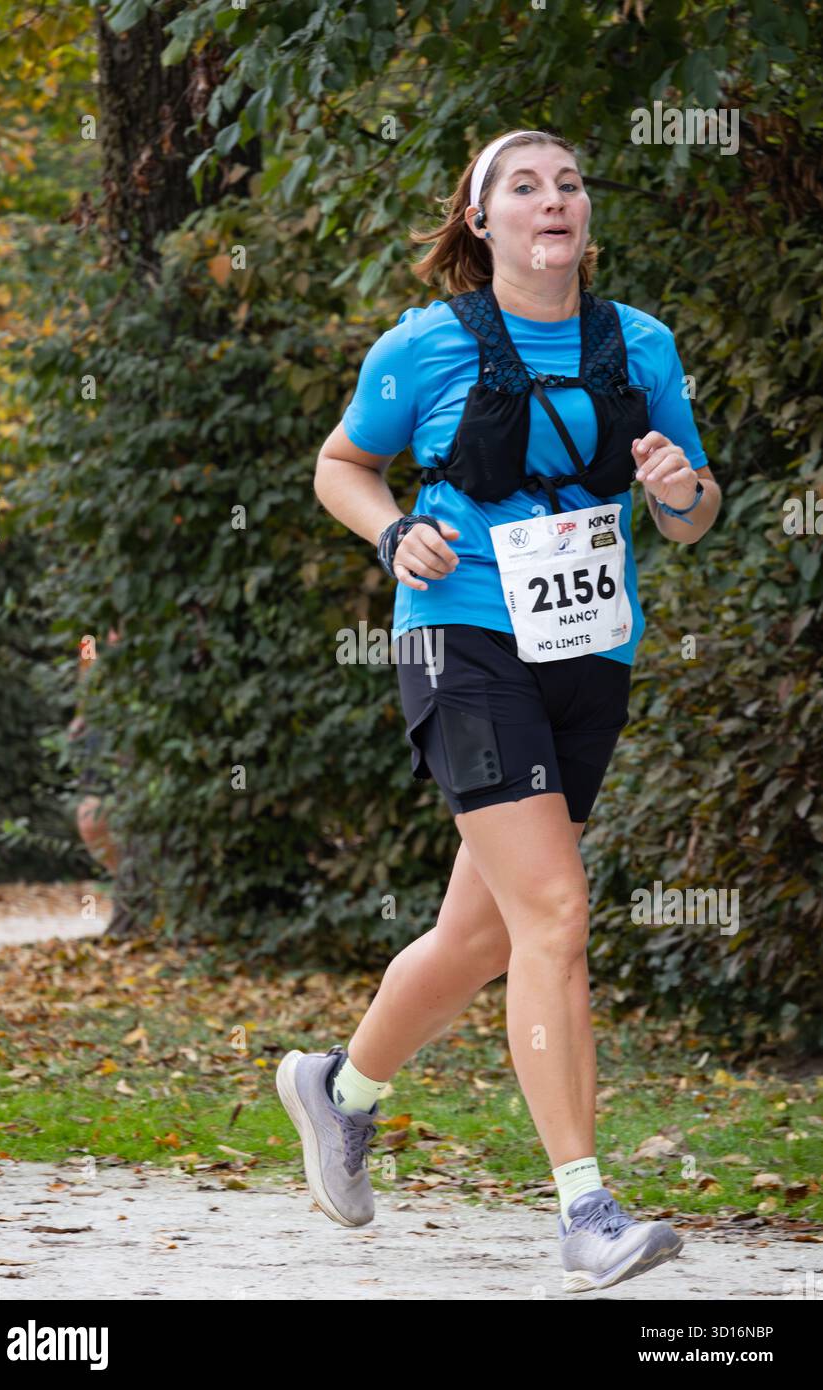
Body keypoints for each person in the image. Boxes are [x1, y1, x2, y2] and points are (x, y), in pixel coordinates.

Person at [276, 128, 721, 1290]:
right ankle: (585, 1207)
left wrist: (680, 493)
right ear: (482, 222)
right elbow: (340, 463)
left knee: (483, 935)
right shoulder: (421, 347)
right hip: (460, 635)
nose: (551, 198)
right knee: (557, 913)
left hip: (587, 647)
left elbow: (692, 508)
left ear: (584, 213)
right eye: (521, 186)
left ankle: (339, 1087)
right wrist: (389, 530)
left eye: (567, 181)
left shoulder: (640, 344)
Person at [68, 625, 137, 939]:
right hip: (102, 730)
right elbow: (87, 665)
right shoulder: (91, 634)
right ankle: (126, 887)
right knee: (90, 818)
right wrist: (81, 714)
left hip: (142, 727)